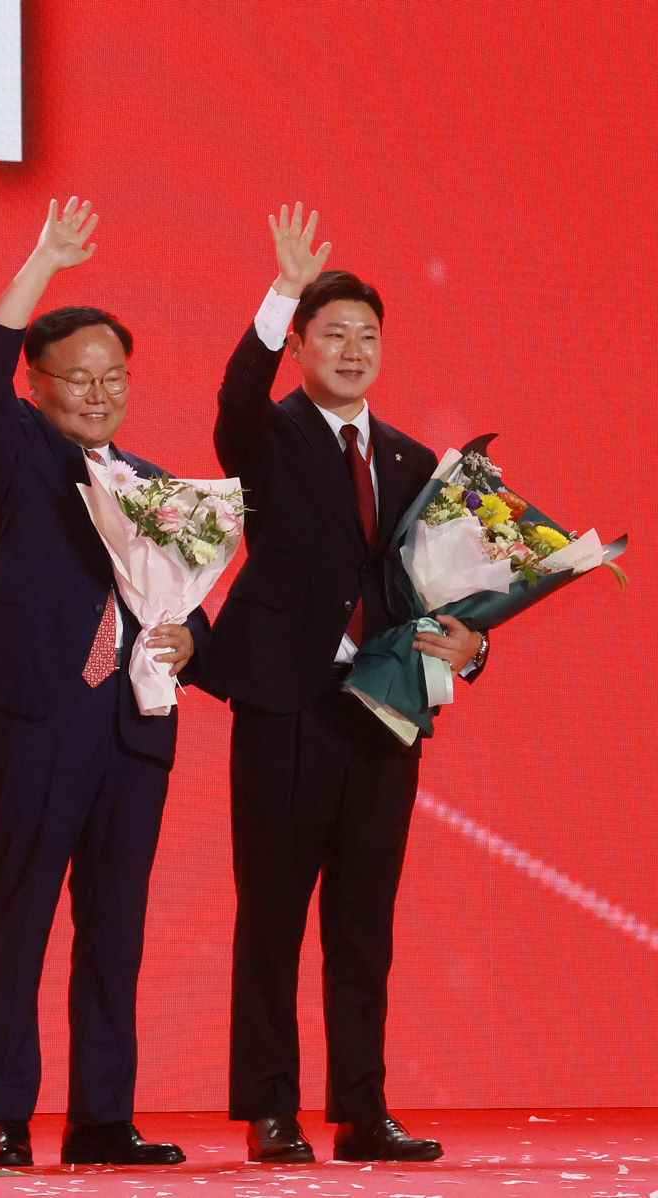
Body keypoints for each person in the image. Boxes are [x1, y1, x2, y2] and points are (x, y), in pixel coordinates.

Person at [206, 205, 484, 1165]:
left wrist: (470, 647)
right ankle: (269, 1111)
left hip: (385, 711)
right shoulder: (268, 434)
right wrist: (281, 288)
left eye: (368, 335)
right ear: (298, 347)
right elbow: (235, 399)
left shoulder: (412, 460)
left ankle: (363, 1110)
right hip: (287, 702)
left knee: (365, 921)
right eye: (333, 334)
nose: (354, 350)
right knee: (273, 917)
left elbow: (445, 585)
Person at [0, 198, 207, 1169]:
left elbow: (188, 601)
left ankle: (102, 1117)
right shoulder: (12, 451)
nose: (97, 392)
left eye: (112, 376)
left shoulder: (154, 486)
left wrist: (190, 642)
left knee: (114, 929)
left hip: (132, 728)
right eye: (77, 377)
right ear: (37, 384)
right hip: (34, 714)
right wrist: (43, 260)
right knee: (19, 914)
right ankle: (8, 1114)